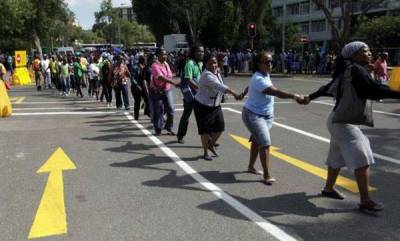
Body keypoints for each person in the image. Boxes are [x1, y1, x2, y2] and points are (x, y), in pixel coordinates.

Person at [304, 41, 400, 212]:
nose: (369, 53)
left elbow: (326, 87)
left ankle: (328, 189)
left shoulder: (350, 70)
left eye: (369, 50)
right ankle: (365, 200)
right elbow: (375, 90)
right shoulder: (355, 70)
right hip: (342, 122)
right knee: (362, 157)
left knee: (336, 157)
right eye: (365, 51)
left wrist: (310, 97)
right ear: (354, 55)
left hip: (338, 120)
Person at [240, 51, 305, 185]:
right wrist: (294, 96)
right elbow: (274, 92)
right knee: (265, 143)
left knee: (257, 141)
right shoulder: (258, 78)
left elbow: (250, 85)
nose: (270, 64)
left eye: (271, 61)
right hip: (253, 115)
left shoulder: (264, 75)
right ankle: (267, 175)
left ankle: (251, 167)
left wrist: (243, 92)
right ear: (259, 64)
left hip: (266, 115)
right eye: (266, 62)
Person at [193, 55, 242, 160]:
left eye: (215, 63)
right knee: (205, 131)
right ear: (206, 64)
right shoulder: (207, 75)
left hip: (215, 105)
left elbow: (221, 83)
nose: (213, 65)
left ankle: (211, 144)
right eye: (210, 63)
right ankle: (206, 152)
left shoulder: (217, 72)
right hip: (203, 105)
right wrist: (234, 93)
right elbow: (220, 86)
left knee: (220, 127)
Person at [177, 45, 205, 144]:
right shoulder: (190, 63)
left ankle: (208, 138)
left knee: (203, 117)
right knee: (186, 115)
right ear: (194, 53)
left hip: (198, 94)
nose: (201, 53)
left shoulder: (200, 63)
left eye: (202, 51)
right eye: (199, 51)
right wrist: (200, 88)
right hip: (190, 94)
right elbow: (188, 79)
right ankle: (180, 135)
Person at [150, 48, 179, 136]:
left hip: (167, 89)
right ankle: (158, 128)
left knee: (171, 109)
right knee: (158, 110)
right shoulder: (154, 65)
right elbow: (160, 77)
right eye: (163, 54)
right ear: (158, 56)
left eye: (166, 54)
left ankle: (168, 127)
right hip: (157, 90)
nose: (165, 56)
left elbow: (169, 75)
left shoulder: (166, 64)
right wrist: (173, 83)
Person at [131, 55, 151, 120]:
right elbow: (132, 78)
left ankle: (149, 113)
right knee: (137, 101)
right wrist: (136, 85)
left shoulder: (146, 67)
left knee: (147, 100)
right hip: (136, 87)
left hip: (144, 86)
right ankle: (136, 116)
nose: (145, 61)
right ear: (141, 60)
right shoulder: (135, 67)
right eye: (144, 60)